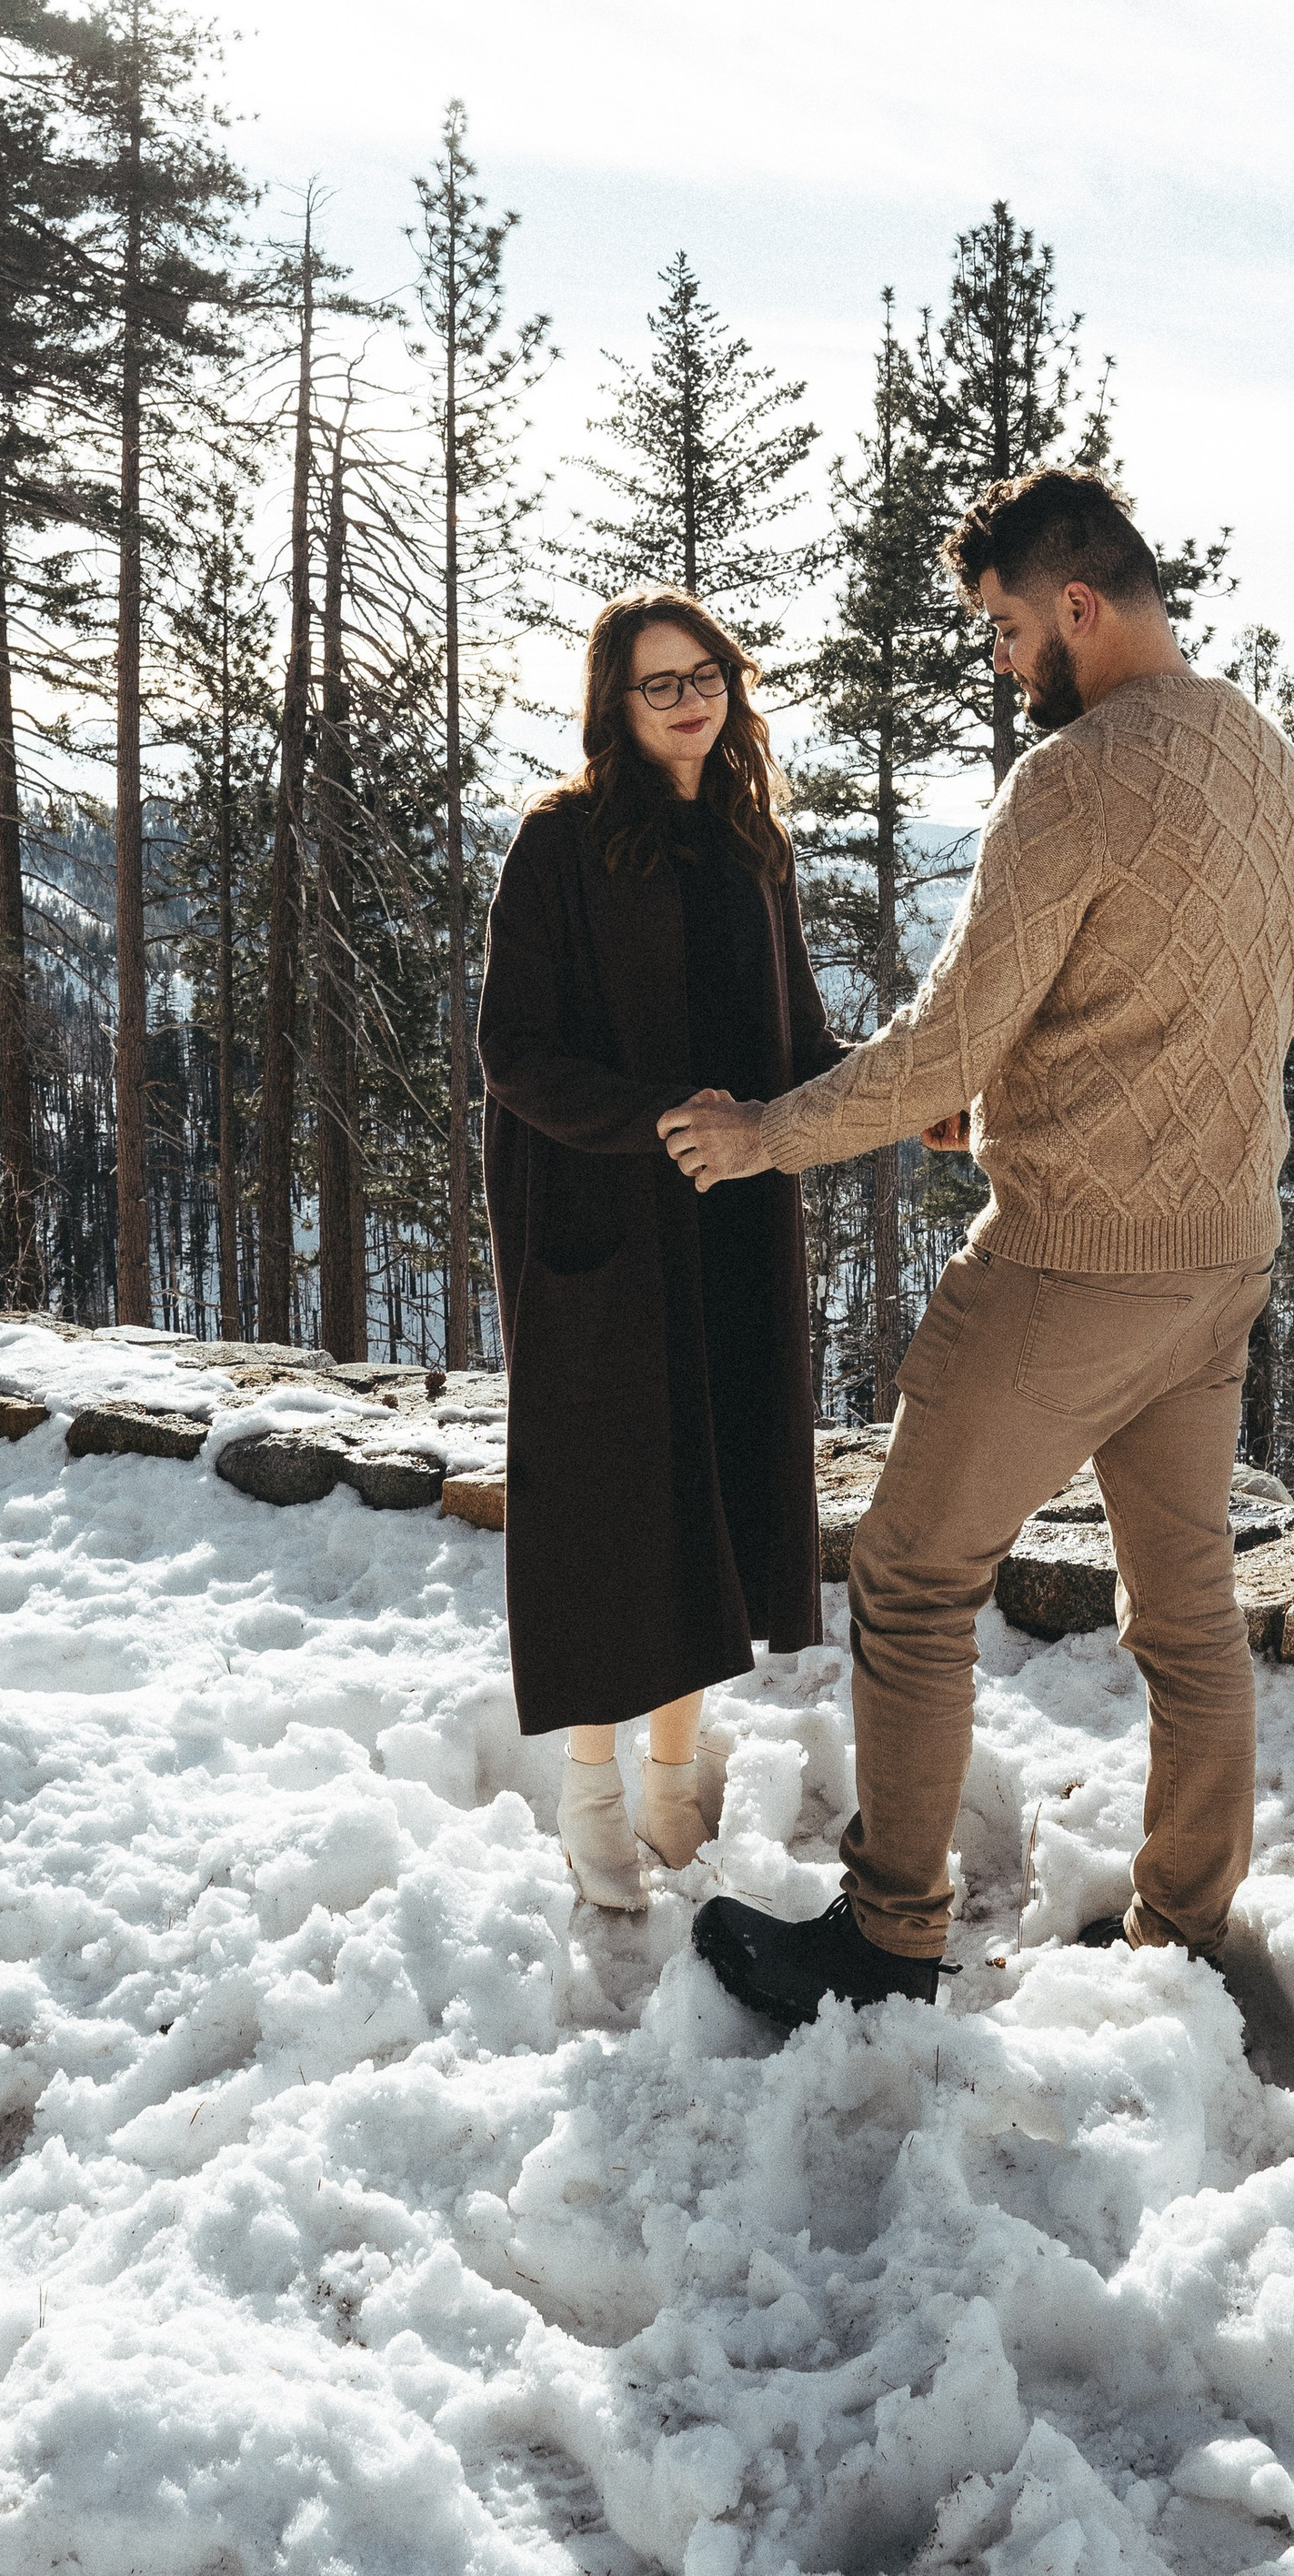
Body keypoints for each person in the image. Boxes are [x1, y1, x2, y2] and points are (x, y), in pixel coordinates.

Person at [657, 468, 1294, 2028]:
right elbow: (1186, 1013)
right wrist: (1009, 1098)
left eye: (1009, 629)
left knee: (907, 1575)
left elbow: (948, 1028)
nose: (1003, 661)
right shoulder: (1275, 765)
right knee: (1184, 1610)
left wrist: (768, 1134)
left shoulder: (1077, 778)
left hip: (1074, 1266)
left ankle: (890, 1938)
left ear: (1079, 608)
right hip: (1221, 1253)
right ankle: (1186, 1925)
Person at [477, 587, 845, 1909]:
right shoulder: (561, 843)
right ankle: (590, 1794)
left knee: (714, 1493)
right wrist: (656, 1122)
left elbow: (797, 1043)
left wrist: (915, 1102)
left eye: (706, 675)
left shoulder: (752, 845)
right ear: (614, 704)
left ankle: (677, 1779)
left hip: (732, 1214)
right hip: (597, 1217)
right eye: (659, 683)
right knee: (613, 1504)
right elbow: (510, 1053)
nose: (691, 700)